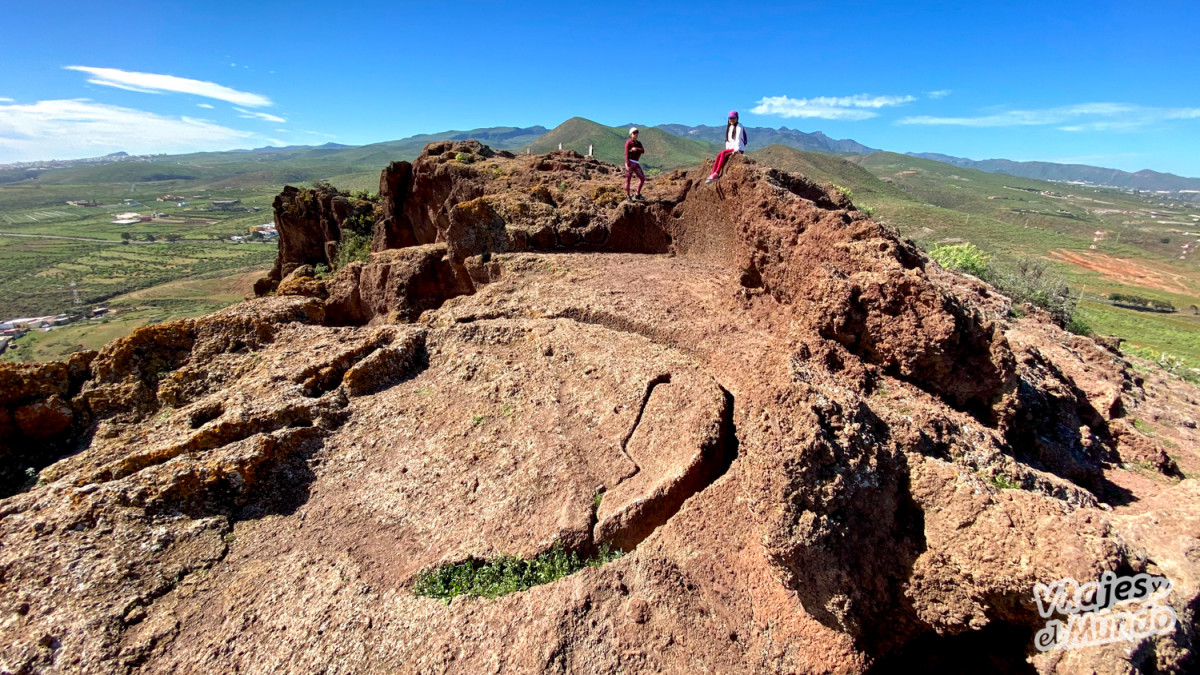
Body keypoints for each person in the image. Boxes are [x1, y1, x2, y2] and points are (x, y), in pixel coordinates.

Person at [705, 111, 748, 183]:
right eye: (730, 118)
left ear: (737, 118)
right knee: (719, 154)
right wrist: (728, 149)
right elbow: (728, 140)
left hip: (738, 149)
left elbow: (738, 138)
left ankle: (717, 173)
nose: (732, 120)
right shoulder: (730, 127)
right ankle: (713, 173)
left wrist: (736, 150)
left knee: (723, 153)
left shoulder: (739, 126)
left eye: (733, 118)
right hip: (731, 149)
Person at [624, 127, 646, 200]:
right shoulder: (628, 143)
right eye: (634, 133)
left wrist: (636, 149)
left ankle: (637, 193)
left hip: (636, 163)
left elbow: (643, 151)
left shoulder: (638, 143)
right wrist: (628, 163)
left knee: (642, 178)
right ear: (631, 134)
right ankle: (628, 196)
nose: (636, 134)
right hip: (630, 162)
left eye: (637, 133)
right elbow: (626, 154)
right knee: (628, 180)